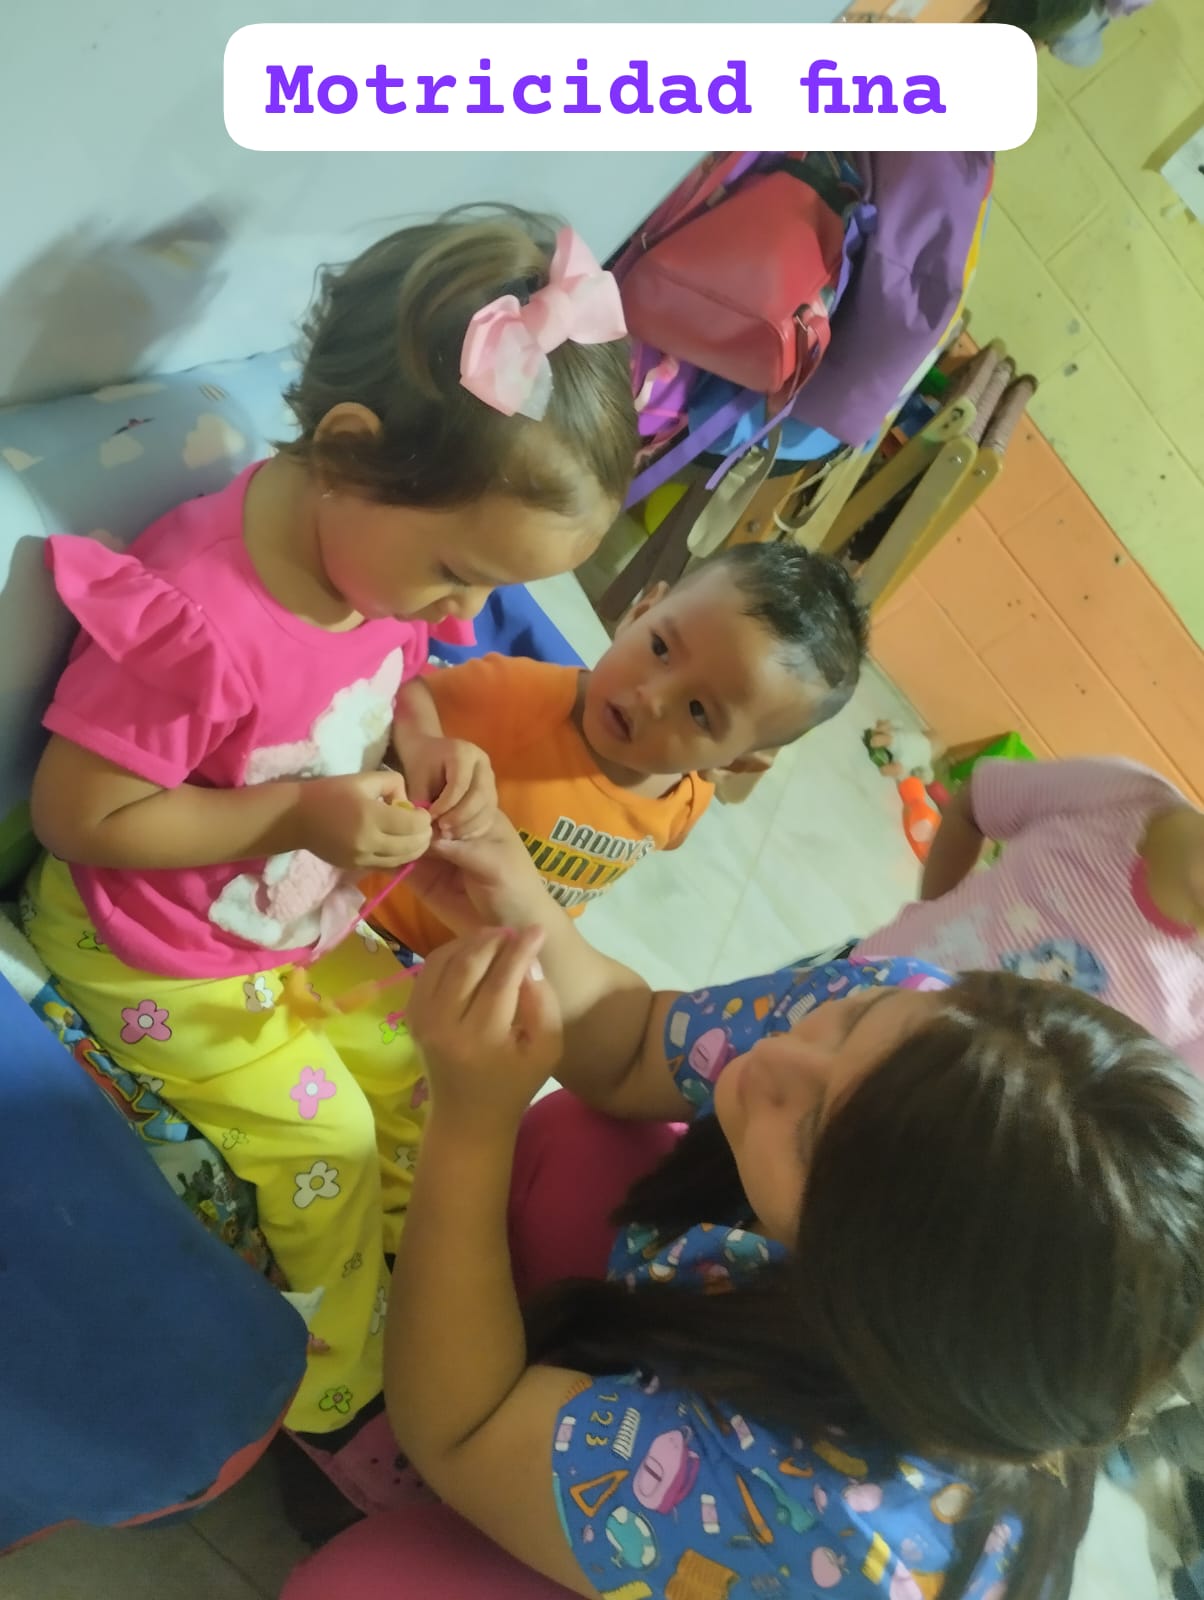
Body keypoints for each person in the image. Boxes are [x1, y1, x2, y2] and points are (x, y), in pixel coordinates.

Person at [19, 207, 635, 1437]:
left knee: (430, 1063)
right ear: (350, 451)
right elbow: (79, 814)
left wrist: (425, 739)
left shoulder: (369, 564)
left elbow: (393, 675)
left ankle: (419, 1284)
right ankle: (330, 1390)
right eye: (460, 574)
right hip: (147, 952)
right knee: (336, 1145)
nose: (464, 614)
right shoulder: (199, 615)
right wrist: (296, 814)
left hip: (276, 940)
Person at [281, 814, 1204, 1600]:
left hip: (754, 1525)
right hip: (765, 1357)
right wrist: (518, 900)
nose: (778, 1060)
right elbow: (635, 1042)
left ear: (871, 1284)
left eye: (814, 1134)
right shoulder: (912, 1030)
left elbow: (463, 1429)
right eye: (848, 1024)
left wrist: (471, 1125)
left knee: (363, 1582)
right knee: (582, 1138)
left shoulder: (828, 1520)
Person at [366, 543, 868, 957]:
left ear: (732, 762)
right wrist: (425, 742)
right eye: (660, 648)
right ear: (640, 612)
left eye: (699, 712)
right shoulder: (520, 695)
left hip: (460, 967)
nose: (652, 697)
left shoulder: (683, 801)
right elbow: (403, 685)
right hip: (371, 915)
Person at [854, 755, 1204, 1073]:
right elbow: (972, 806)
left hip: (926, 1103)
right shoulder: (1118, 793)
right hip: (855, 990)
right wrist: (933, 909)